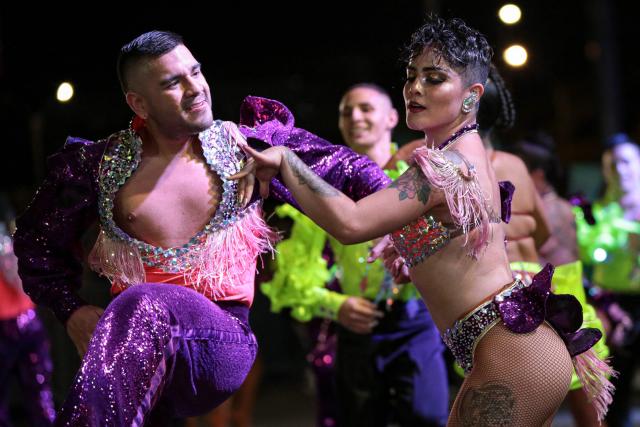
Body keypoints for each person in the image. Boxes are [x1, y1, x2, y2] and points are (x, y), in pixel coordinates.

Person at [233, 15, 614, 425]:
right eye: (411, 76)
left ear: (471, 97)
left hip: (511, 353)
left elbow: (352, 224)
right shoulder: (468, 156)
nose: (415, 88)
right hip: (517, 347)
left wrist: (288, 160)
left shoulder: (443, 166)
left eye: (434, 78)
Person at [13, 31, 391, 426]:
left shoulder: (248, 145)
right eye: (173, 82)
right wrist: (72, 312)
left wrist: (408, 224)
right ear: (138, 103)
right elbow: (36, 243)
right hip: (135, 353)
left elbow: (356, 173)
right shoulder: (100, 166)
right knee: (135, 316)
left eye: (196, 72)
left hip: (220, 344)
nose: (196, 89)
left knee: (142, 303)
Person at [263, 83, 448, 426]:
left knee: (428, 416)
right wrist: (337, 306)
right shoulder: (323, 188)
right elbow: (291, 279)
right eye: (346, 111)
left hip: (415, 319)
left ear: (393, 117)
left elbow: (454, 237)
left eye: (365, 108)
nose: (355, 117)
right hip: (357, 327)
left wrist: (419, 255)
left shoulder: (418, 172)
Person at [574, 134, 640, 427]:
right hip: (612, 305)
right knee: (617, 387)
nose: (619, 170)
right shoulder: (595, 213)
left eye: (626, 162)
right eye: (612, 164)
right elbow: (588, 254)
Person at [0, 193, 56, 427]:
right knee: (39, 396)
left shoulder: (11, 233)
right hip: (23, 319)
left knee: (40, 396)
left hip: (22, 319)